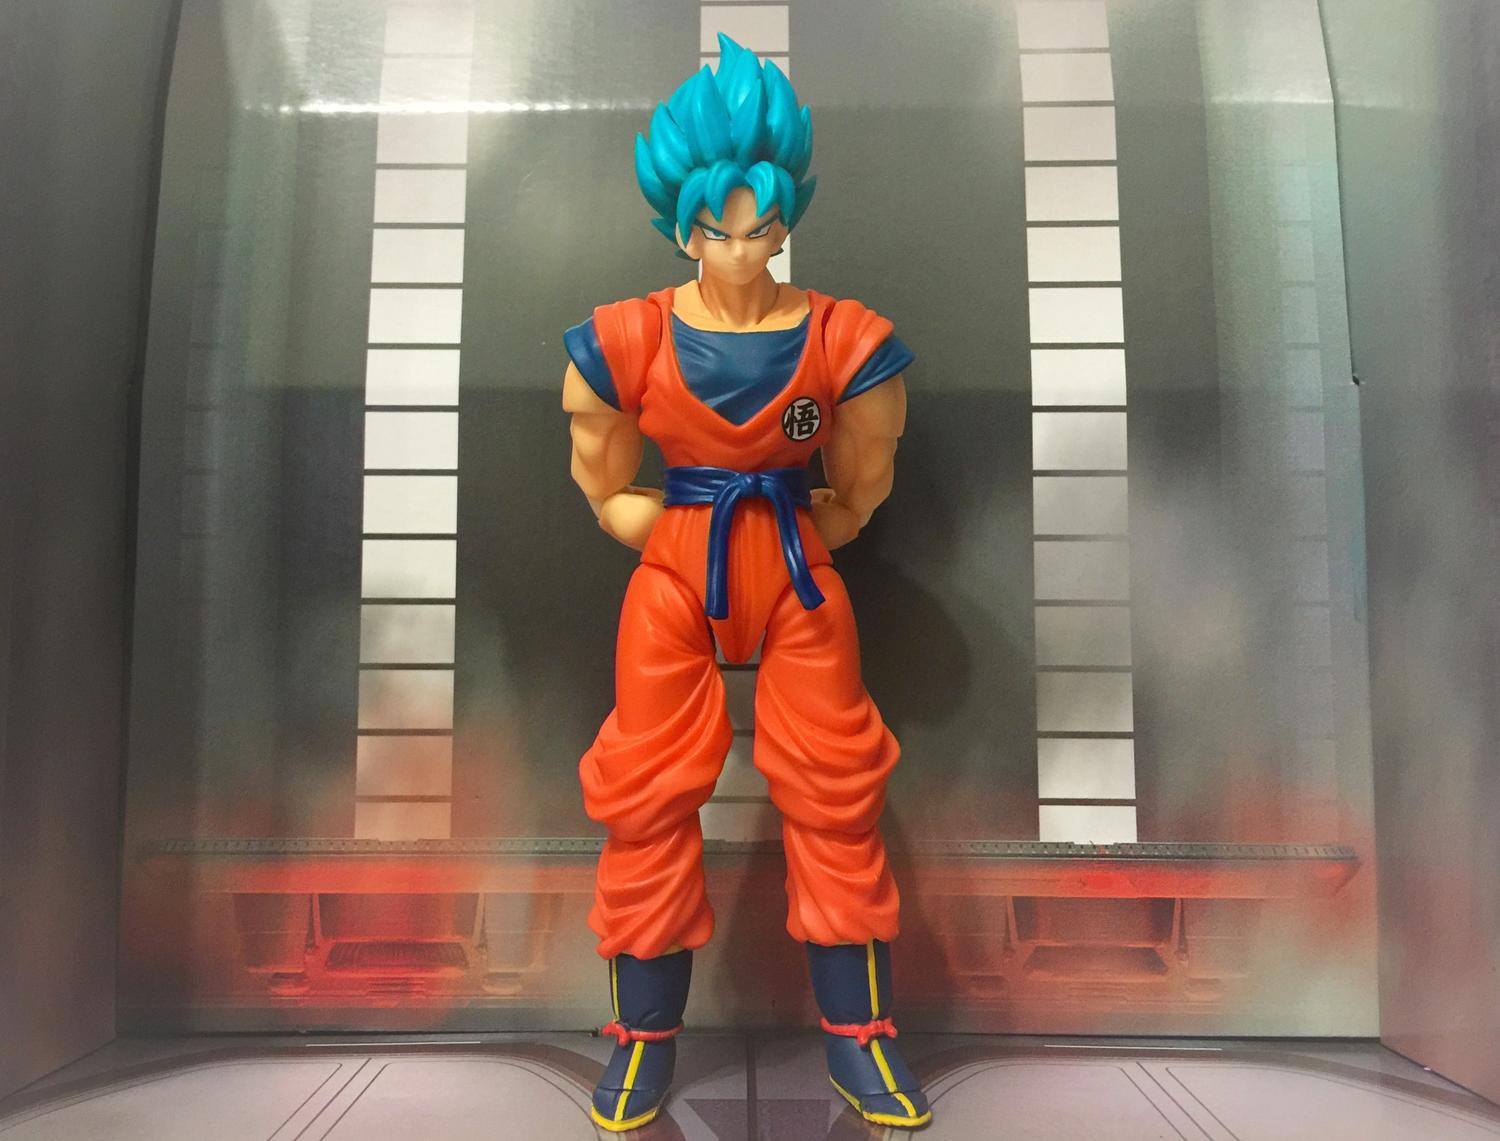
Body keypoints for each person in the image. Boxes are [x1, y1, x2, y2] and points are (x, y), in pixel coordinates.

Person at [561, 33, 930, 1132]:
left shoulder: (840, 338)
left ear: (785, 216)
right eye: (715, 228)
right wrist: (664, 524)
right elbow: (602, 481)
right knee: (645, 798)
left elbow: (855, 472)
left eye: (758, 226)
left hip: (798, 576)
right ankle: (641, 1036)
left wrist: (815, 514)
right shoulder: (628, 337)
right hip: (678, 574)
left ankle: (860, 1035)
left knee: (836, 795)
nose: (737, 247)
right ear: (680, 223)